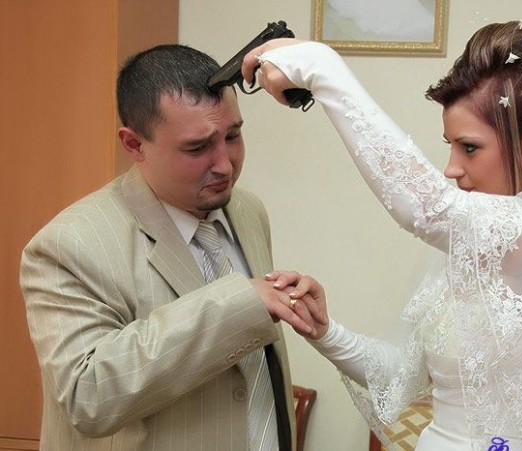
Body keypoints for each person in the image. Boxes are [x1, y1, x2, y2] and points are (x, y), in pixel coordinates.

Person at [241, 21, 522, 450]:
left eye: (469, 147)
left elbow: (429, 209)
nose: (451, 168)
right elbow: (401, 375)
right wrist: (325, 332)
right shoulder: (479, 244)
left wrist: (321, 67)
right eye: (450, 146)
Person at [19, 44, 309, 451]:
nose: (225, 164)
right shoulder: (68, 245)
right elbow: (88, 396)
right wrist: (239, 305)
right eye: (197, 147)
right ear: (134, 144)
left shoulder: (247, 210)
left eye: (233, 135)